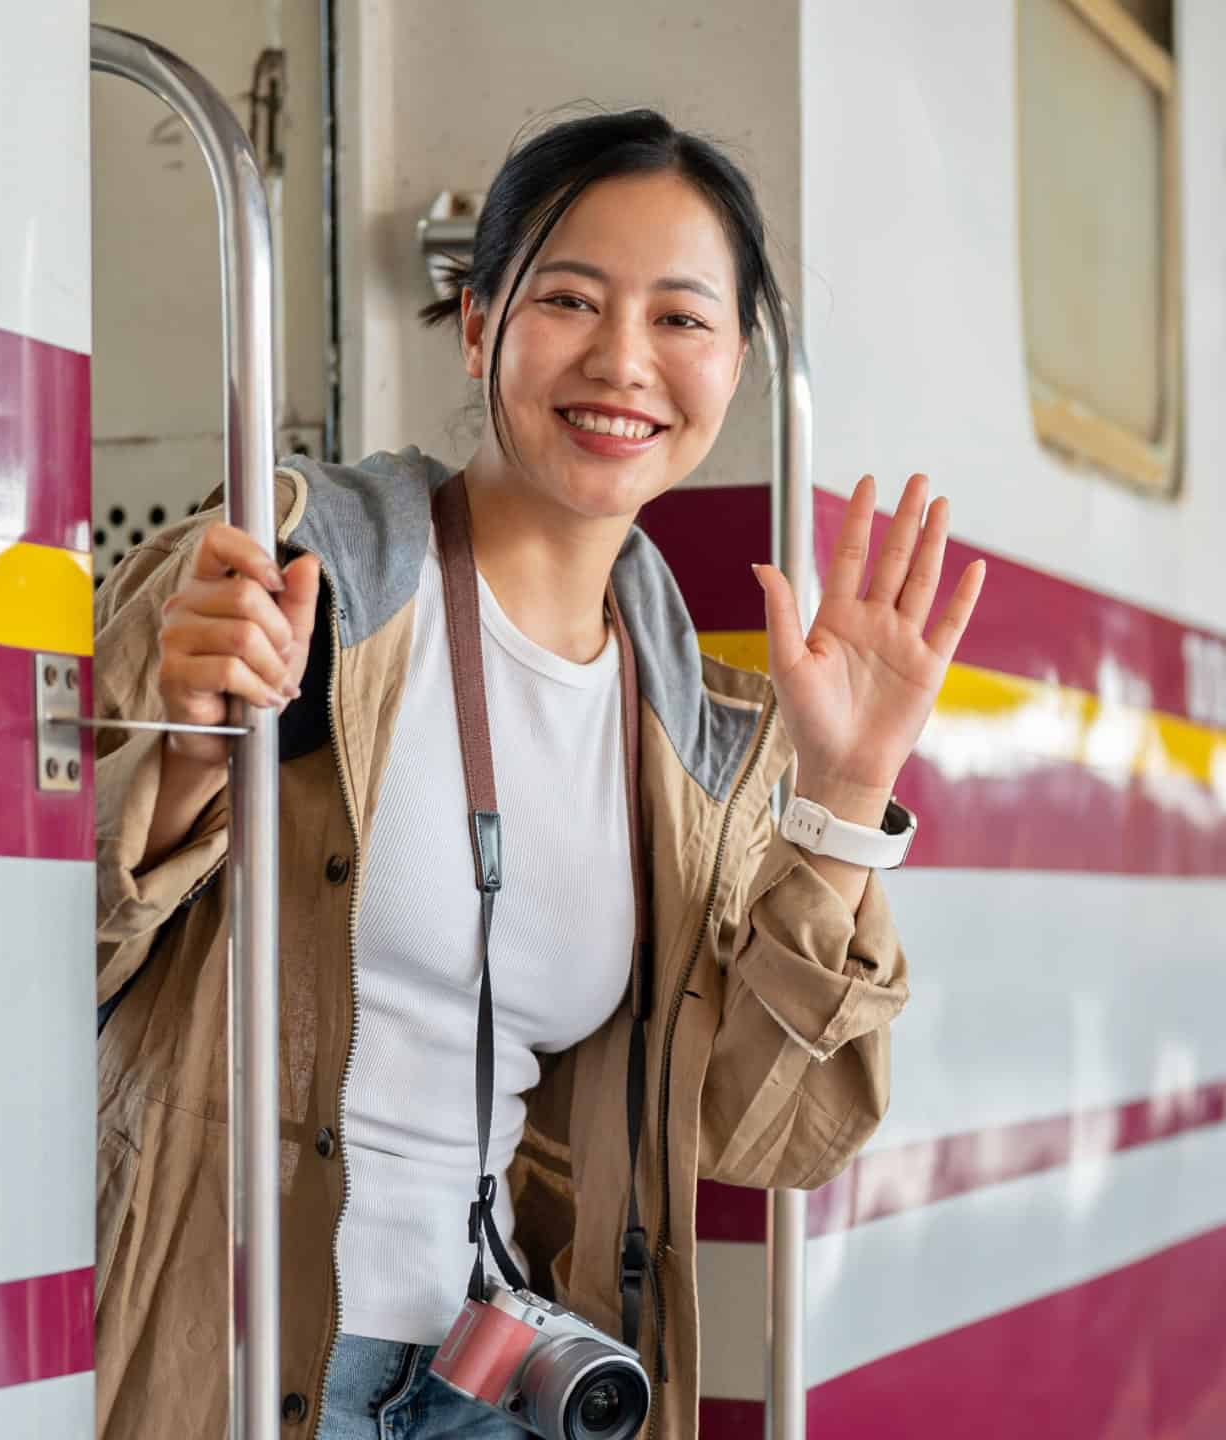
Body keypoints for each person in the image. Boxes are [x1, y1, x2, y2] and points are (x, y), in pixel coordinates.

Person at [92, 107, 984, 1440]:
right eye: (570, 299)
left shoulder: (702, 743)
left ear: (734, 363)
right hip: (220, 1371)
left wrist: (848, 795)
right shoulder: (277, 575)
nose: (624, 361)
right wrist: (180, 748)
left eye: (683, 319)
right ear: (476, 322)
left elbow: (765, 1139)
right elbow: (12, 952)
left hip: (497, 1389)